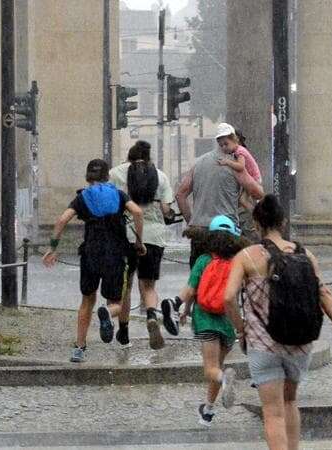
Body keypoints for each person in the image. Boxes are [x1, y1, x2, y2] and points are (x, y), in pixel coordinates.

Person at [223, 195, 332, 450]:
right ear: (284, 222)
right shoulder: (305, 255)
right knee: (290, 402)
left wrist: (241, 328)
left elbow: (228, 297)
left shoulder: (247, 256)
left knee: (272, 412)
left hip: (262, 345)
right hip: (299, 343)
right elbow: (324, 295)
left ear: (256, 224)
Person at [42, 159, 146, 363]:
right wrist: (139, 241)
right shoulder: (118, 194)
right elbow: (138, 212)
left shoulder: (82, 197)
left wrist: (52, 248)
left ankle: (79, 348)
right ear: (107, 175)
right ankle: (107, 312)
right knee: (116, 302)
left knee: (87, 301)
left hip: (90, 254)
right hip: (116, 254)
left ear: (88, 177)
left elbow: (62, 220)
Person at [177, 215, 248, 427]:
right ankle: (208, 410)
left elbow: (191, 290)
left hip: (206, 319)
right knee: (218, 367)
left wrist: (184, 309)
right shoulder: (238, 264)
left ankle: (224, 381)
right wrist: (242, 327)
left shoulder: (203, 260)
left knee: (211, 370)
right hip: (227, 323)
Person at [109, 141, 177, 350]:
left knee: (126, 286)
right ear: (149, 158)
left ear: (129, 157)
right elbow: (166, 209)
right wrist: (170, 214)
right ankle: (150, 315)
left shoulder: (115, 174)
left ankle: (124, 332)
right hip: (154, 237)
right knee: (148, 286)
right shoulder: (161, 176)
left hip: (127, 237)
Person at [175, 121, 264, 268]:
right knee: (226, 281)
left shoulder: (200, 162)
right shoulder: (234, 164)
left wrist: (193, 220)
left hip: (199, 233)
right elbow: (257, 193)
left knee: (198, 281)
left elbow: (180, 194)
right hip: (225, 233)